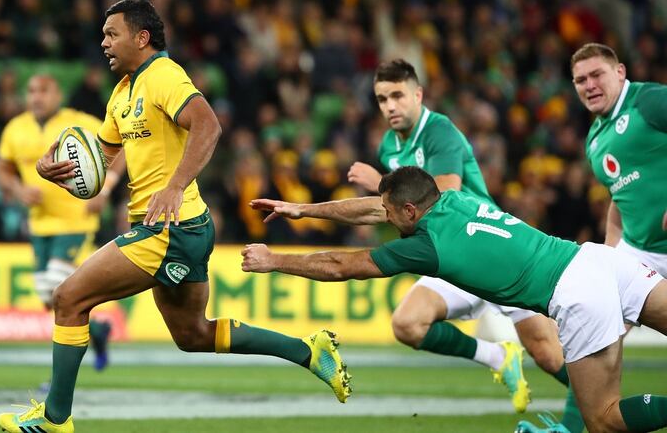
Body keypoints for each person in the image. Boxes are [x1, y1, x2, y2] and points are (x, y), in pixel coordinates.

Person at [0, 0, 350, 433]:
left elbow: (209, 125)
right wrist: (56, 174)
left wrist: (176, 185)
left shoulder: (163, 75)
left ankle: (55, 419)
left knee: (69, 299)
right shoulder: (124, 91)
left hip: (170, 226)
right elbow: (102, 159)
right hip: (182, 227)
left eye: (112, 34)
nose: (103, 42)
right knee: (193, 336)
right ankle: (309, 351)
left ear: (141, 37)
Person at [243, 166, 667, 433]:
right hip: (599, 260)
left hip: (575, 294)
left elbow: (340, 266)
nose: (384, 220)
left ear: (411, 212)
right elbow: (372, 208)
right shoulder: (454, 199)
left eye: (392, 215)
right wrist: (304, 210)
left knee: (603, 419)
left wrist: (274, 259)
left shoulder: (426, 246)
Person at [340, 59, 578, 425]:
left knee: (548, 355)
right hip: (448, 256)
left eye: (397, 96)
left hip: (492, 250)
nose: (389, 106)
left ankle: (602, 410)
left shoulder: (439, 132)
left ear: (418, 95)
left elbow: (443, 197)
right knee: (407, 324)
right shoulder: (389, 144)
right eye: (382, 98)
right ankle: (497, 357)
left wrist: (378, 182)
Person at [0, 74, 121, 376]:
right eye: (31, 91)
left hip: (75, 220)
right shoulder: (16, 128)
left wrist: (105, 189)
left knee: (59, 287)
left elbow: (121, 150)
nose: (36, 96)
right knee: (48, 298)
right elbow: (3, 170)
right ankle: (98, 332)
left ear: (58, 94)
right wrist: (17, 190)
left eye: (43, 91)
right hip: (39, 224)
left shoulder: (80, 123)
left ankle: (58, 379)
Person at [571, 43, 667, 276]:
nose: (590, 85)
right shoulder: (594, 140)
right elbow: (620, 194)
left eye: (597, 74)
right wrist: (611, 251)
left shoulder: (649, 100)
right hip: (640, 253)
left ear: (620, 72)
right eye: (581, 80)